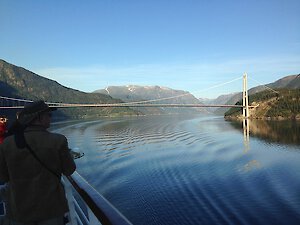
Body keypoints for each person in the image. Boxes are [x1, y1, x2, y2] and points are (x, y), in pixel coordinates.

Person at [0, 100, 76, 225]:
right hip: (51, 210)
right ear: (38, 117)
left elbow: (3, 176)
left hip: (18, 211)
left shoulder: (7, 143)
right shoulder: (58, 140)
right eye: (48, 115)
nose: (51, 118)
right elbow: (69, 170)